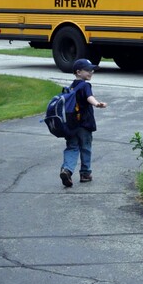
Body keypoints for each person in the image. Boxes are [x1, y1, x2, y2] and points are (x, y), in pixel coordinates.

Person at [59, 58, 107, 188]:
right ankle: (85, 174)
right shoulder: (85, 85)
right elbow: (88, 97)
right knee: (85, 148)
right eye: (88, 70)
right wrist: (97, 103)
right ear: (78, 72)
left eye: (92, 70)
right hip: (84, 125)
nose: (91, 72)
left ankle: (67, 170)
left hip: (71, 125)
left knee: (72, 147)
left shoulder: (71, 87)